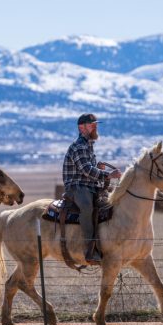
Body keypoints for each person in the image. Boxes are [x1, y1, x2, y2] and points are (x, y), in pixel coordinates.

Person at [62, 113, 122, 263]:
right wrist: (107, 174)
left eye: (95, 124)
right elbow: (86, 170)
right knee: (87, 208)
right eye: (91, 124)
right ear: (81, 128)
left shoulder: (88, 145)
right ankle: (89, 249)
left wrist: (98, 168)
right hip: (76, 187)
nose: (95, 126)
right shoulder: (79, 146)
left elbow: (89, 169)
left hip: (88, 186)